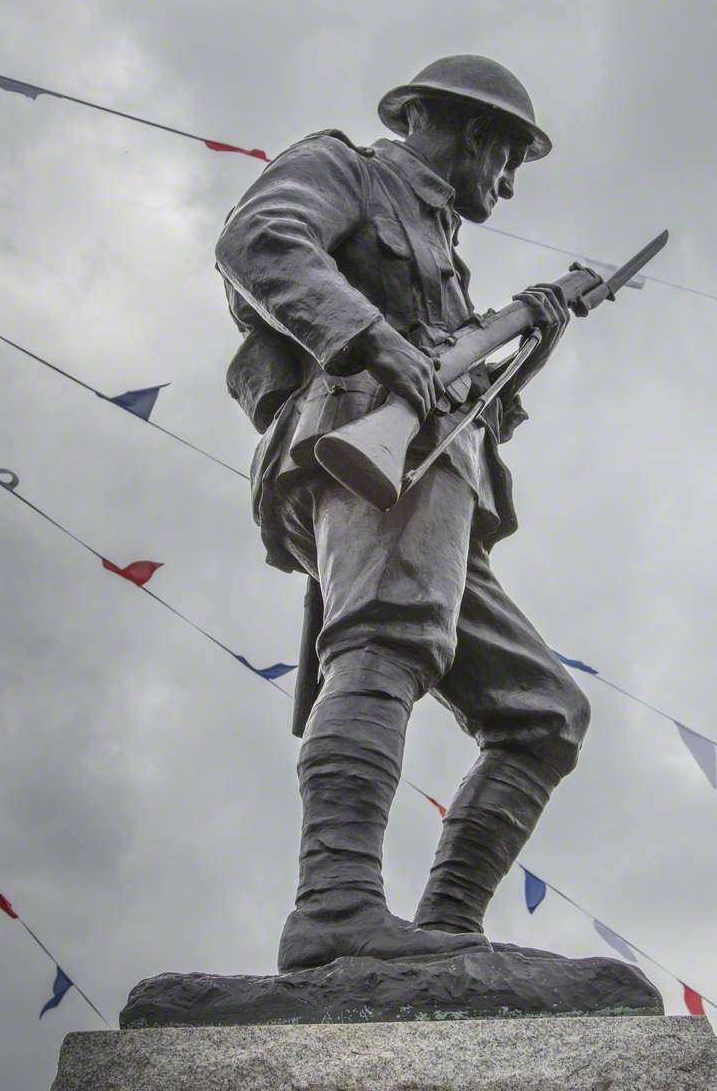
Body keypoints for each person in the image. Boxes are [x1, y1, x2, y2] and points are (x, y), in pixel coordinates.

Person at [215, 55, 590, 974]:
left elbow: (464, 401)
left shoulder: (448, 258)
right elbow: (260, 242)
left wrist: (525, 344)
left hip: (438, 473)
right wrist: (377, 339)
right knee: (385, 644)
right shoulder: (350, 170)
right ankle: (337, 906)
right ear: (457, 128)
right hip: (361, 451)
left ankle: (444, 934)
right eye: (504, 156)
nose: (505, 183)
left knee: (544, 713)